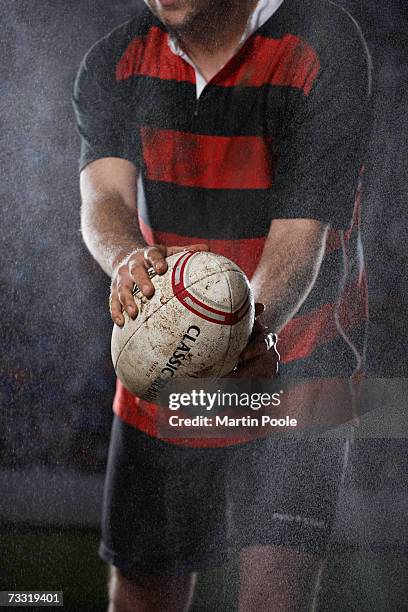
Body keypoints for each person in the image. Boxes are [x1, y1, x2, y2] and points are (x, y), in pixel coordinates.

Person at [73, 0, 371, 609]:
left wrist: (250, 329)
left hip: (300, 360)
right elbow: (103, 198)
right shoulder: (114, 61)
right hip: (169, 357)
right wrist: (129, 257)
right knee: (141, 595)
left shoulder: (322, 46)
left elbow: (300, 236)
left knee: (273, 601)